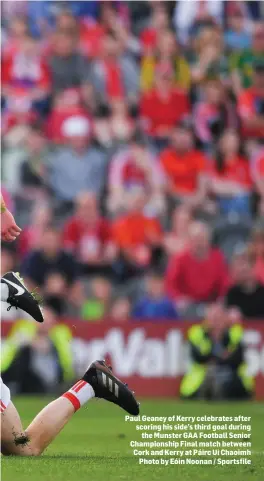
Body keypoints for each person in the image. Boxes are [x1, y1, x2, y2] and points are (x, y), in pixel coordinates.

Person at [0, 194, 139, 456]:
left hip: (46, 319)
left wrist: (3, 210)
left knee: (24, 448)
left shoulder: (66, 262)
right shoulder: (36, 260)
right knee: (24, 448)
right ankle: (91, 384)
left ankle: (5, 290)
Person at [180, 302, 254, 400]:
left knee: (228, 381)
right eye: (213, 318)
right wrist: (223, 356)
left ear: (225, 319)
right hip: (200, 380)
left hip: (231, 378)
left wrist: (213, 357)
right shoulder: (197, 333)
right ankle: (211, 390)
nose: (216, 322)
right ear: (207, 319)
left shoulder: (234, 333)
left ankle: (218, 390)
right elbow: (198, 357)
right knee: (210, 377)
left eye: (219, 318)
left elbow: (237, 359)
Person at [166, 221, 229, 310]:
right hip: (187, 304)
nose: (199, 243)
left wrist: (220, 300)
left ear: (208, 240)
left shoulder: (217, 257)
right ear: (189, 241)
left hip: (211, 304)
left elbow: (224, 284)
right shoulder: (180, 259)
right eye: (195, 239)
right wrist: (178, 299)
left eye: (202, 239)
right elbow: (171, 285)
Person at [226, 249, 264, 319]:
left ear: (254, 270)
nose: (245, 275)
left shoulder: (262, 292)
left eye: (247, 271)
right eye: (242, 272)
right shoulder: (232, 293)